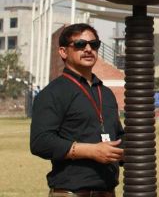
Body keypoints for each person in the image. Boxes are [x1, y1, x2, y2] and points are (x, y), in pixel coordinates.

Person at [30, 23, 124, 196]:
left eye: (94, 44)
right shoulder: (53, 93)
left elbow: (117, 135)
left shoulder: (106, 93)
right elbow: (40, 142)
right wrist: (91, 151)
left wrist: (129, 147)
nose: (88, 49)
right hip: (71, 192)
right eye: (80, 44)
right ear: (63, 52)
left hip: (108, 192)